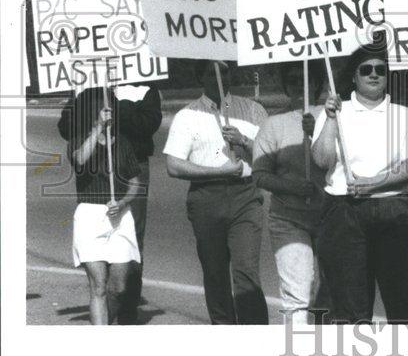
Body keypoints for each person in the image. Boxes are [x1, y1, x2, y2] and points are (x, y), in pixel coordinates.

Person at [312, 42, 408, 323]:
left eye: (380, 70)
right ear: (354, 76)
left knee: (403, 303)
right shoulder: (335, 112)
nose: (373, 74)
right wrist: (331, 119)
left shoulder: (405, 115)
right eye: (366, 69)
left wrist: (373, 183)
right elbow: (323, 160)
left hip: (394, 209)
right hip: (343, 212)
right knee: (349, 307)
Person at [163, 60, 269, 324]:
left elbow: (271, 155)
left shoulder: (252, 110)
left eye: (225, 71)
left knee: (246, 272)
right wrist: (218, 172)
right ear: (202, 77)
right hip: (206, 198)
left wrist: (244, 141)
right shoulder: (188, 115)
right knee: (215, 273)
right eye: (212, 72)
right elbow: (174, 165)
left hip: (246, 196)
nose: (220, 77)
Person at [58, 83, 161, 324]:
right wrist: (93, 116)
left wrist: (117, 107)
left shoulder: (144, 87)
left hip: (129, 160)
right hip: (93, 174)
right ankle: (103, 318)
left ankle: (126, 312)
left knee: (131, 245)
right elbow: (65, 127)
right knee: (98, 282)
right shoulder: (87, 87)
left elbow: (148, 125)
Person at [252, 61, 327, 325]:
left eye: (304, 78)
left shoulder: (334, 117)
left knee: (330, 292)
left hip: (332, 217)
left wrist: (316, 131)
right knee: (298, 298)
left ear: (317, 82)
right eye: (292, 78)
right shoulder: (274, 123)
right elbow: (259, 174)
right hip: (289, 219)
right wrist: (292, 187)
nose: (298, 83)